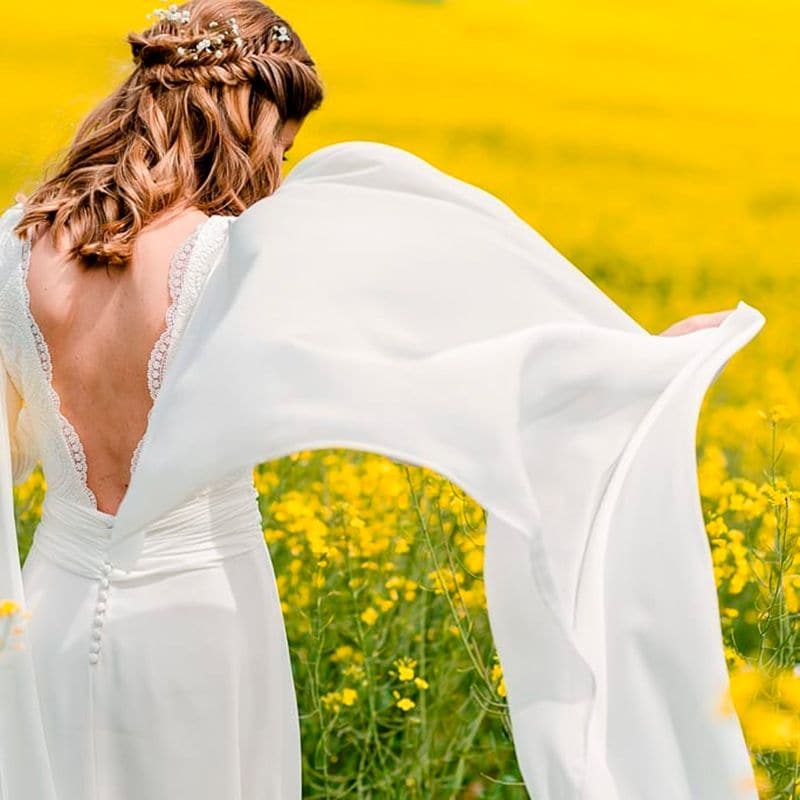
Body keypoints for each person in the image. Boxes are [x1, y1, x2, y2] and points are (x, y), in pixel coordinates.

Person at [0, 1, 766, 799]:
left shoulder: (14, 246)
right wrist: (638, 362)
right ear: (242, 116)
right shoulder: (228, 259)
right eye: (280, 143)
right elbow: (437, 352)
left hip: (47, 618)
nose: (274, 168)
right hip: (201, 628)